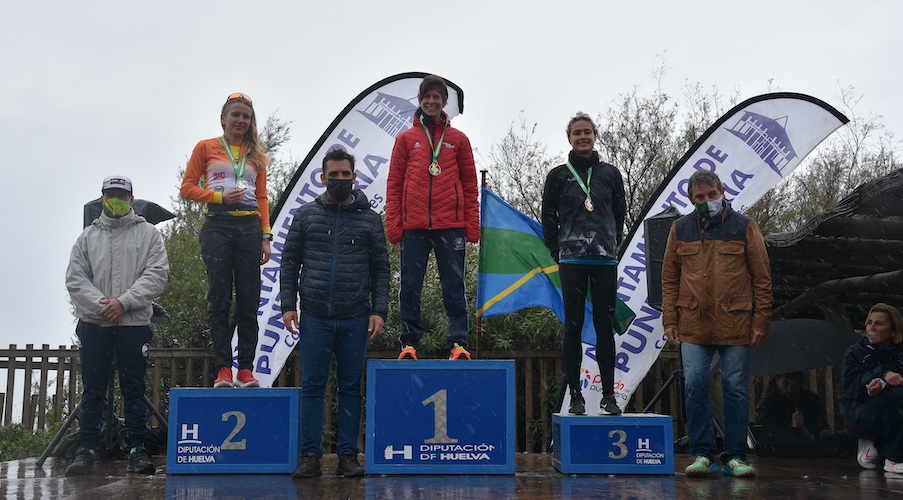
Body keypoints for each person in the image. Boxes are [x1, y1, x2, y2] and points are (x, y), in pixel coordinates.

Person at [280, 149, 390, 478]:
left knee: (350, 387)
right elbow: (289, 262)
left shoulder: (369, 218)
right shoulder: (305, 215)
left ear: (354, 177)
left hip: (356, 316)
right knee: (312, 386)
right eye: (334, 174)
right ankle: (310, 456)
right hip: (314, 316)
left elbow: (381, 268)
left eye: (345, 174)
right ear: (323, 176)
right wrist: (288, 305)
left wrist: (379, 310)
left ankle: (347, 456)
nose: (340, 179)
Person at [661, 170, 772, 478]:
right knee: (694, 385)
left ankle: (736, 455)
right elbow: (669, 278)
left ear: (722, 191)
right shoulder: (679, 229)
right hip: (693, 322)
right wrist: (670, 318)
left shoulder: (745, 227)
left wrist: (760, 319)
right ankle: (701, 453)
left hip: (735, 321)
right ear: (690, 199)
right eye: (700, 197)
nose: (707, 201)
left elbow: (762, 278)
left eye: (711, 195)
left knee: (735, 388)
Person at [64, 175, 169, 476]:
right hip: (94, 325)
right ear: (101, 198)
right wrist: (105, 307)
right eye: (111, 195)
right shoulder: (86, 238)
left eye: (122, 195)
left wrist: (123, 302)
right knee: (93, 389)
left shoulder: (150, 234)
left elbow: (157, 275)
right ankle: (85, 451)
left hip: (134, 323)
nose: (117, 200)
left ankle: (137, 449)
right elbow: (75, 279)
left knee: (134, 388)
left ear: (132, 199)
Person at [180, 92, 271, 388]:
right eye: (235, 115)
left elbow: (262, 197)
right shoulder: (205, 147)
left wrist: (266, 236)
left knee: (248, 300)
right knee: (219, 299)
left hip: (248, 227)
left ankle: (246, 369)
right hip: (217, 225)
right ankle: (223, 369)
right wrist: (218, 196)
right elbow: (187, 188)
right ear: (223, 119)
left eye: (246, 116)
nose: (240, 121)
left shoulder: (256, 154)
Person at [385, 74, 479, 360]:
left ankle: (458, 343)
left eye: (437, 97)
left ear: (445, 102)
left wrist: (471, 225)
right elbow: (394, 182)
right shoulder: (406, 139)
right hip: (414, 226)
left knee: (454, 286)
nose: (431, 101)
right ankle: (409, 343)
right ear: (420, 100)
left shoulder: (458, 140)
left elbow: (470, 184)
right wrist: (393, 222)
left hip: (451, 226)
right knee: (410, 286)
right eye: (427, 96)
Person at [541, 112, 625, 416]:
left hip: (604, 259)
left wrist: (610, 242)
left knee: (604, 326)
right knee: (573, 326)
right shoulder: (558, 176)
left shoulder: (610, 174)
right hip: (571, 259)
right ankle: (576, 396)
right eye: (577, 133)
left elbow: (619, 212)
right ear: (569, 139)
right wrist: (556, 250)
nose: (583, 137)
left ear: (594, 136)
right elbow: (548, 217)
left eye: (587, 132)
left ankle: (608, 396)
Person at [839, 303, 903, 474]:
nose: (872, 328)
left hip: (889, 409)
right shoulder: (855, 353)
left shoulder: (899, 353)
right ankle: (894, 457)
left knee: (897, 403)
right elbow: (850, 387)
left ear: (893, 331)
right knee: (896, 395)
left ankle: (877, 445)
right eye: (869, 322)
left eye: (879, 323)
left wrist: (884, 383)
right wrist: (880, 376)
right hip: (858, 413)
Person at [756, 371, 831, 439]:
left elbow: (821, 422)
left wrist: (824, 431)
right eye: (785, 383)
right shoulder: (766, 405)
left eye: (795, 384)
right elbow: (770, 437)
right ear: (777, 380)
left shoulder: (810, 399)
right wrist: (792, 430)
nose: (790, 389)